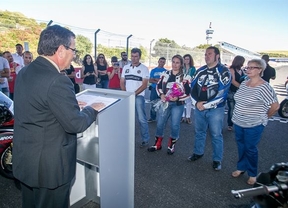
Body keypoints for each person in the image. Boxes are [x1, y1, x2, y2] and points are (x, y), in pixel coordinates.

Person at [12, 25, 105, 208]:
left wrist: (67, 104)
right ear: (61, 50)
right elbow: (75, 124)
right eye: (73, 49)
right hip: (49, 169)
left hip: (26, 161)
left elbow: (37, 105)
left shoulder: (26, 72)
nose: (74, 55)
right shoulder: (57, 80)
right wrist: (92, 109)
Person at [231, 59, 279, 185]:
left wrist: (265, 117)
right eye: (248, 67)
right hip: (238, 122)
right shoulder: (244, 83)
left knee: (250, 148)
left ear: (260, 70)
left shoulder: (264, 87)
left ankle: (252, 173)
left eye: (253, 67)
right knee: (241, 146)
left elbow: (275, 106)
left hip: (254, 124)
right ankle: (241, 167)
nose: (248, 69)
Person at [187, 46, 231, 171]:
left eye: (210, 54)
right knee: (199, 132)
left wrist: (204, 105)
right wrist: (196, 103)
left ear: (217, 56)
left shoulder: (224, 71)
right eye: (205, 54)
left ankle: (217, 160)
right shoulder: (200, 70)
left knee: (216, 134)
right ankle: (198, 152)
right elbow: (192, 88)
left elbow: (222, 93)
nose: (207, 56)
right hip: (199, 108)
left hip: (216, 109)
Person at [147, 55, 191, 154]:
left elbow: (188, 93)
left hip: (178, 104)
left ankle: (171, 145)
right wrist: (162, 94)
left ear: (181, 64)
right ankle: (157, 144)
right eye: (173, 62)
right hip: (165, 103)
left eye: (177, 62)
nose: (175, 65)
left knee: (175, 125)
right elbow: (158, 86)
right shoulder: (165, 74)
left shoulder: (185, 77)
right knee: (160, 123)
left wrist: (178, 97)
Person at [120, 48, 150, 147]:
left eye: (136, 56)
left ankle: (145, 139)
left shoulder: (144, 69)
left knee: (141, 119)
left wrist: (133, 94)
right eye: (132, 56)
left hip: (138, 97)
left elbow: (144, 85)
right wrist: (125, 94)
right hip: (127, 97)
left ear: (139, 57)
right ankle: (126, 138)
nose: (134, 58)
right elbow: (122, 82)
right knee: (127, 119)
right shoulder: (126, 67)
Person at [227, 55, 245, 131]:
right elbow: (232, 81)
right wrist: (242, 87)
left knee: (239, 109)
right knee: (232, 108)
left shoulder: (241, 70)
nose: (243, 63)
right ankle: (230, 124)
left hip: (239, 92)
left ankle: (237, 123)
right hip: (232, 91)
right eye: (242, 62)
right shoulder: (232, 69)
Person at [147, 57, 167, 122]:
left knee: (163, 104)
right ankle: (153, 117)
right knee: (153, 103)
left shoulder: (166, 71)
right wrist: (159, 81)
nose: (162, 63)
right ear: (158, 61)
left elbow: (165, 81)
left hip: (162, 90)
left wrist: (155, 79)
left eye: (163, 62)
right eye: (161, 61)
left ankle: (162, 118)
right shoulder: (153, 70)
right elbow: (150, 80)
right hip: (154, 89)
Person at [181, 54, 196, 124]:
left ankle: (188, 116)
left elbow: (193, 77)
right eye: (185, 59)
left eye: (188, 59)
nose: (186, 60)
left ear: (190, 60)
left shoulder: (193, 68)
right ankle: (182, 116)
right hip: (180, 86)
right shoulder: (181, 68)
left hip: (189, 86)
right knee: (181, 101)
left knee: (188, 101)